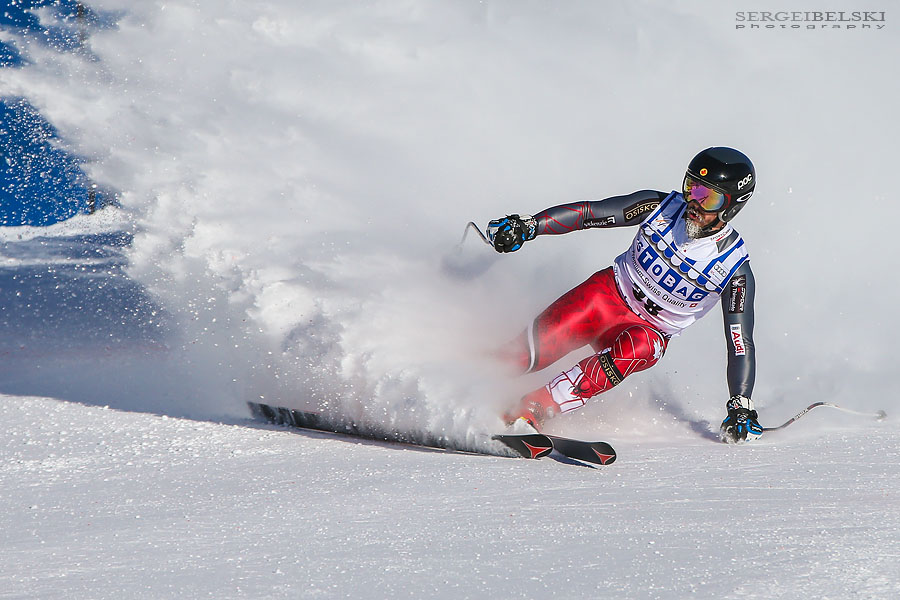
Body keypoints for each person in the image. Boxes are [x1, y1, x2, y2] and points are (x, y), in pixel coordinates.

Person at [487, 147, 763, 443]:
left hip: (646, 332)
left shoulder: (733, 267)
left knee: (642, 347)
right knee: (522, 356)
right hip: (605, 298)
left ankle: (535, 408)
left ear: (731, 206)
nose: (693, 202)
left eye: (708, 198)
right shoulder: (659, 207)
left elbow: (740, 342)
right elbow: (590, 214)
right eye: (691, 187)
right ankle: (470, 383)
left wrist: (740, 405)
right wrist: (530, 226)